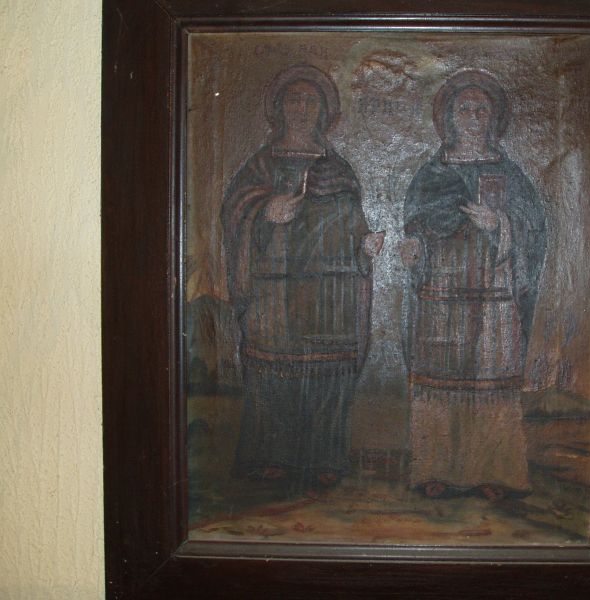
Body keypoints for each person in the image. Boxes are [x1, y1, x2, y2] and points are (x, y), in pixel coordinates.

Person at [221, 64, 384, 489]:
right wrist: (264, 210)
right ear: (279, 108)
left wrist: (365, 246)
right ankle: (271, 455)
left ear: (324, 111)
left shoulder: (339, 168)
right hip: (274, 289)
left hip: (331, 291)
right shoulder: (262, 165)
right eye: (293, 100)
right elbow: (235, 213)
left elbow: (354, 224)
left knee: (328, 374)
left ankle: (324, 456)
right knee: (273, 374)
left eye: (311, 101)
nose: (301, 108)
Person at [401, 70, 547, 501]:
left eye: (481, 109)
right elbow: (415, 225)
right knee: (440, 376)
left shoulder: (509, 174)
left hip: (493, 294)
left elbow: (534, 230)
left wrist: (500, 223)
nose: (473, 117)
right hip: (442, 293)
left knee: (490, 377)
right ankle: (437, 468)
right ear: (448, 117)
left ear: (494, 118)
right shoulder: (430, 175)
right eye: (464, 109)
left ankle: (494, 471)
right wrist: (413, 247)